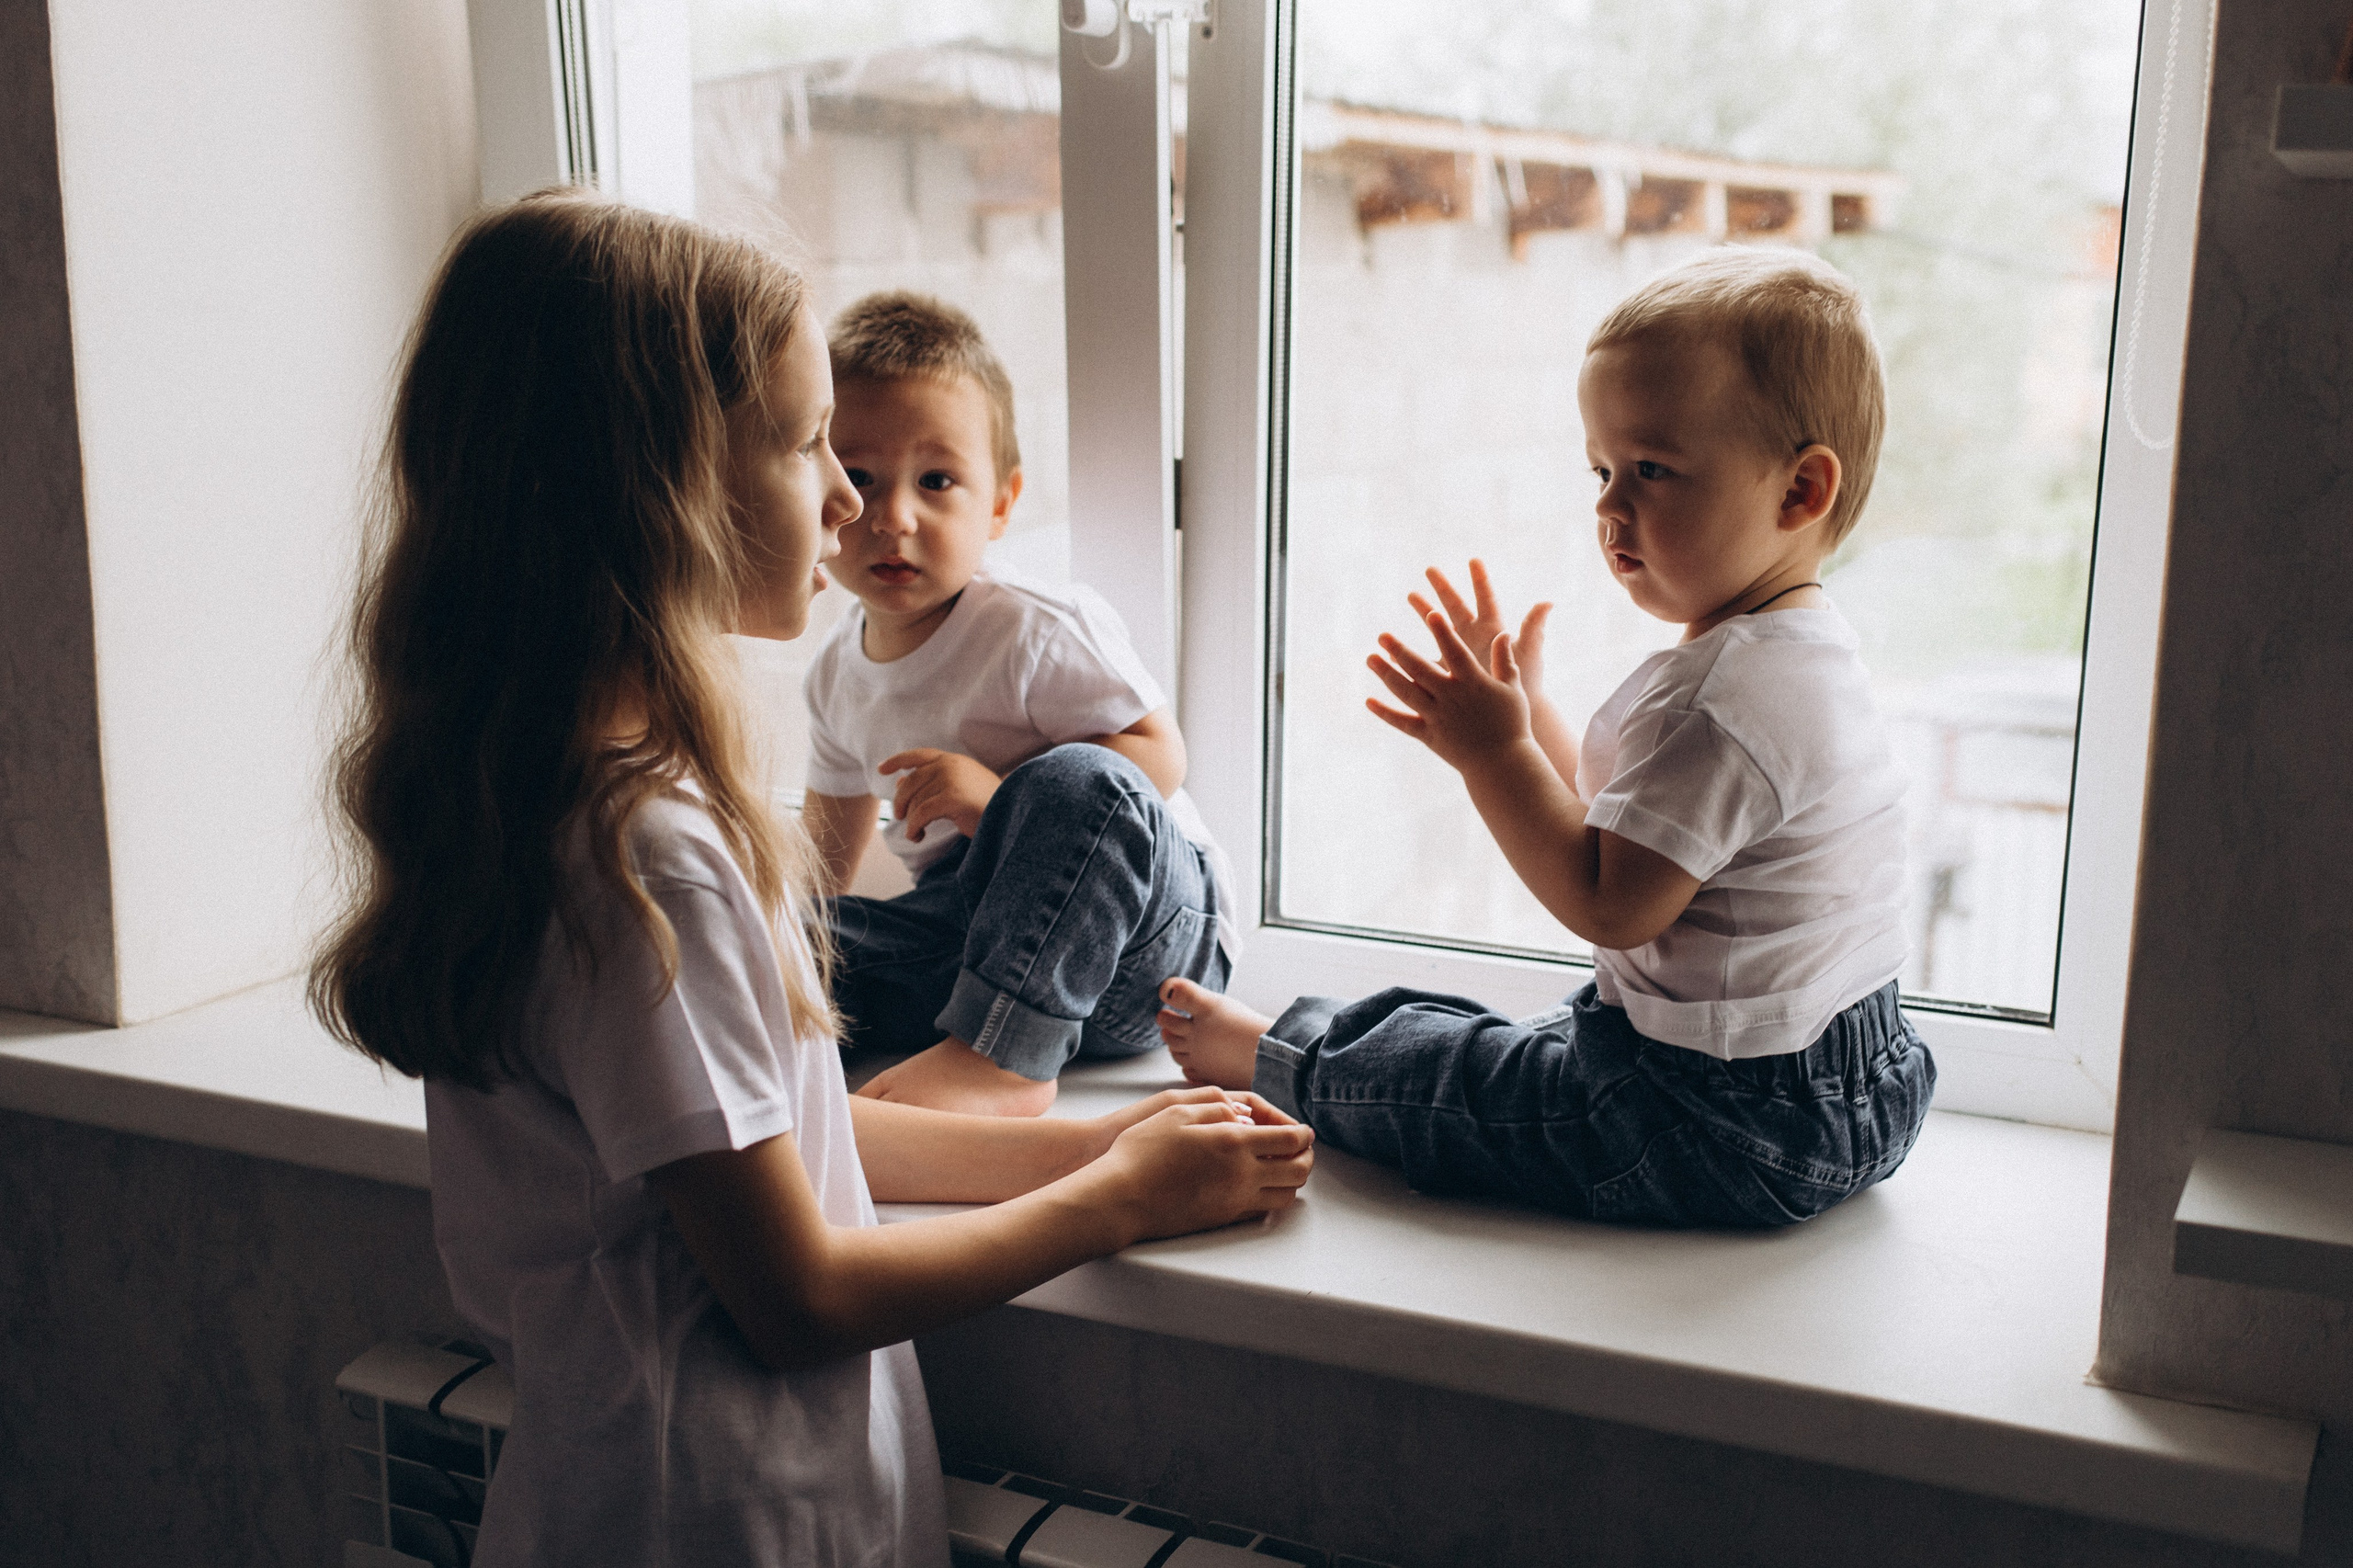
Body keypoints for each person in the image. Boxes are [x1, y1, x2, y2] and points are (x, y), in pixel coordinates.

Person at [309, 192, 1312, 1567]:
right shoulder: (646, 859)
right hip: (719, 1518)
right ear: (653, 489)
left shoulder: (547, 795)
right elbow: (800, 1293)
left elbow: (778, 1146)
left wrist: (1106, 1141)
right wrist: (1114, 1203)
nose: (844, 501)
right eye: (803, 445)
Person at [1159, 247, 1931, 1229]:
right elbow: (1636, 826)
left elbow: (1610, 902)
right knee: (1529, 1040)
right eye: (1602, 470)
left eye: (1652, 470)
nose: (1609, 505)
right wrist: (1528, 719)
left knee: (1460, 1080)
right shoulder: (1806, 656)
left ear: (1798, 491)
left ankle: (1281, 1055)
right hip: (1863, 1084)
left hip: (1715, 1121)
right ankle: (1314, 1041)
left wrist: (1492, 754)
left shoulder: (1719, 699)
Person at [799, 291, 1235, 1118]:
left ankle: (1002, 1063)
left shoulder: (1035, 628)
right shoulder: (834, 674)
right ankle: (758, 1045)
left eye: (936, 482)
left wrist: (998, 801)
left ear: (1000, 503)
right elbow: (824, 850)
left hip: (1148, 951)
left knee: (1079, 779)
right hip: (982, 946)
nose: (894, 517)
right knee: (789, 941)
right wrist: (793, 932)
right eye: (858, 480)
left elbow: (1157, 760)